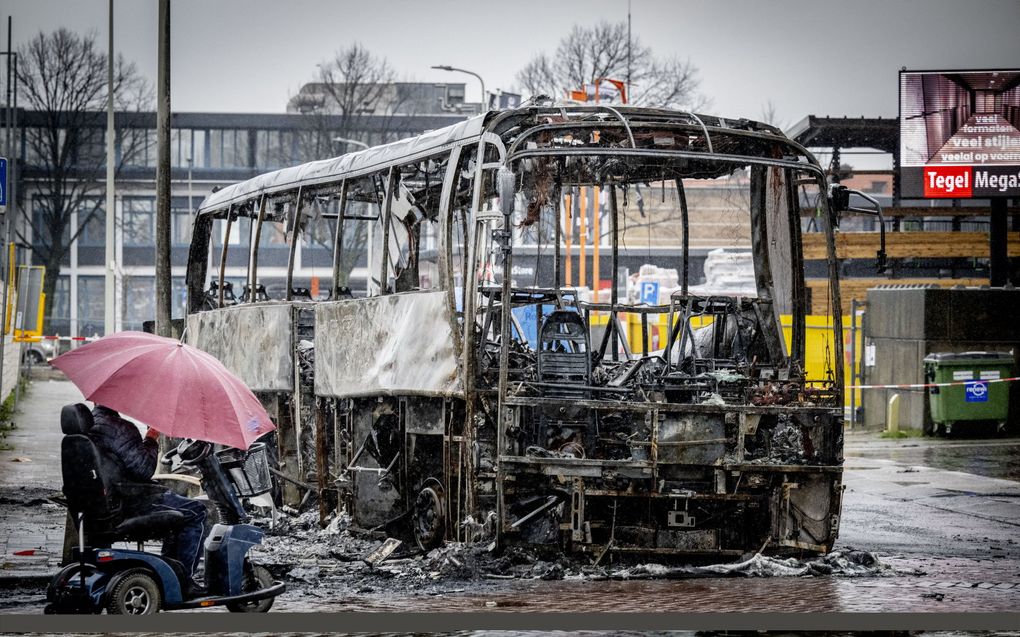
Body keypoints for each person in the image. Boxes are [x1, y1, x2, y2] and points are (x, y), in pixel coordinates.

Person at [88, 404, 208, 594]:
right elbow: (144, 469)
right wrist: (151, 439)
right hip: (128, 503)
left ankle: (168, 575)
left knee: (175, 509)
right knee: (196, 512)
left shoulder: (88, 427)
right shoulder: (120, 429)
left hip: (104, 505)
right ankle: (182, 581)